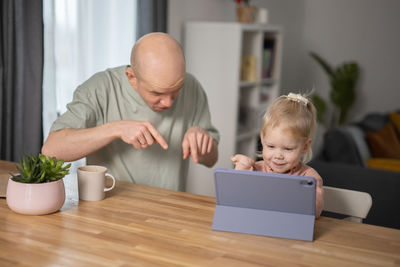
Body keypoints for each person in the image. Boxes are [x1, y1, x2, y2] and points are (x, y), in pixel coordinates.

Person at [41, 32, 219, 191]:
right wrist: (116, 129)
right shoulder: (100, 88)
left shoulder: (192, 86)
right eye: (157, 93)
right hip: (110, 211)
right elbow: (51, 150)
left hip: (169, 210)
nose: (168, 102)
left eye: (176, 90)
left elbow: (211, 160)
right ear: (131, 77)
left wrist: (203, 142)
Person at [231, 93, 324, 218]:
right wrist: (242, 173)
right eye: (271, 146)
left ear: (305, 147)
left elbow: (315, 212)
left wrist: (301, 193)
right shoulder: (255, 170)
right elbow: (236, 199)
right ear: (263, 140)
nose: (278, 155)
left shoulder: (309, 177)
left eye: (288, 149)